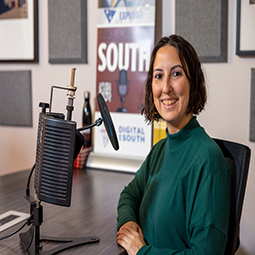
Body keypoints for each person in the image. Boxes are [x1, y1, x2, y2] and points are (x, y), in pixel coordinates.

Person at [116, 34, 231, 255]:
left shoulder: (208, 159)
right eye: (158, 76)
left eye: (176, 74)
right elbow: (129, 195)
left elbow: (205, 253)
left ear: (193, 82)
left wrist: (142, 252)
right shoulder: (160, 150)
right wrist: (128, 223)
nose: (166, 87)